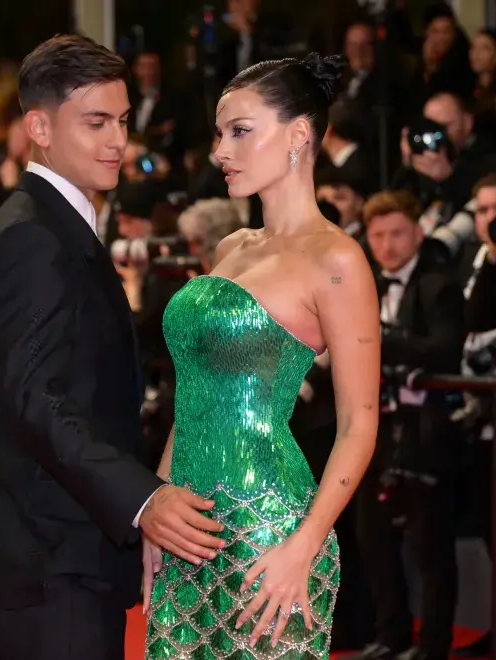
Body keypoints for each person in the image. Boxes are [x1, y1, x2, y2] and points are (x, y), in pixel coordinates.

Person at [0, 35, 227, 660]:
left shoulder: (50, 221)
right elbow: (35, 399)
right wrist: (142, 499)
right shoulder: (35, 235)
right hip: (52, 555)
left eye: (123, 121)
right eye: (96, 122)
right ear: (39, 127)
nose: (117, 141)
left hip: (57, 546)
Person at [143, 53, 381, 659]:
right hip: (187, 532)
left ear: (300, 134)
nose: (221, 151)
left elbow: (359, 423)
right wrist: (160, 505)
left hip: (270, 535)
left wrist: (302, 546)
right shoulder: (231, 246)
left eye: (241, 131)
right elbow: (193, 393)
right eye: (221, 134)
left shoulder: (338, 260)